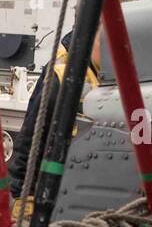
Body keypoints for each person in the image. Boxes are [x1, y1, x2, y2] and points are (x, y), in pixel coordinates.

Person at [7, 30, 101, 216]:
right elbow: (33, 136)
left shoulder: (106, 72)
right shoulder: (64, 74)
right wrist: (25, 195)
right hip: (57, 193)